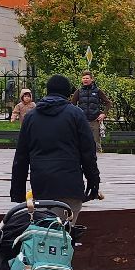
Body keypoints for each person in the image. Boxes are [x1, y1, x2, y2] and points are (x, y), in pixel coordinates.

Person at [11, 74, 101, 224]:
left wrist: (18, 192)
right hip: (70, 185)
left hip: (42, 185)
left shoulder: (31, 117)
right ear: (67, 93)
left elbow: (21, 157)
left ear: (47, 91)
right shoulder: (76, 114)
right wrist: (93, 182)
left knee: (44, 231)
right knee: (64, 232)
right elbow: (88, 153)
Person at [75, 71, 110, 149]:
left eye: (87, 78)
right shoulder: (79, 91)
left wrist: (104, 114)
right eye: (83, 78)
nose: (85, 80)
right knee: (81, 144)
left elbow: (108, 103)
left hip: (94, 121)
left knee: (96, 145)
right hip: (82, 121)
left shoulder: (97, 91)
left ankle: (98, 156)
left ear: (92, 79)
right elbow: (72, 104)